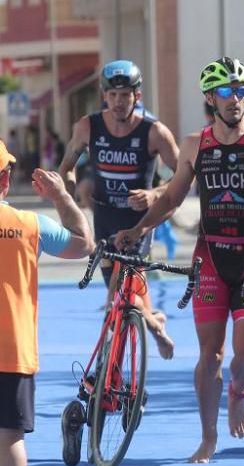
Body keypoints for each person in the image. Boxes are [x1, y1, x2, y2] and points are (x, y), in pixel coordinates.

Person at [113, 57, 244, 463]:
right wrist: (140, 228)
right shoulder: (195, 144)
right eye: (225, 92)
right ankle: (207, 437)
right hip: (211, 258)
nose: (235, 99)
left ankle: (237, 391)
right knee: (210, 355)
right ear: (209, 98)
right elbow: (172, 198)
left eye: (240, 92)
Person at [0, 143, 95, 466]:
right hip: (12, 347)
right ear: (6, 178)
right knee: (9, 438)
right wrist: (61, 196)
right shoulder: (29, 225)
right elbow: (83, 242)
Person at [58, 60, 181, 360]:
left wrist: (154, 193)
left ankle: (105, 367)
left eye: (125, 95)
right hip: (104, 219)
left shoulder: (155, 132)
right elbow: (66, 169)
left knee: (117, 295)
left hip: (138, 223)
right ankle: (154, 323)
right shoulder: (88, 126)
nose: (118, 102)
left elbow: (184, 177)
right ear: (104, 96)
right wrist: (69, 199)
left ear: (137, 97)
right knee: (122, 299)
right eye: (112, 95)